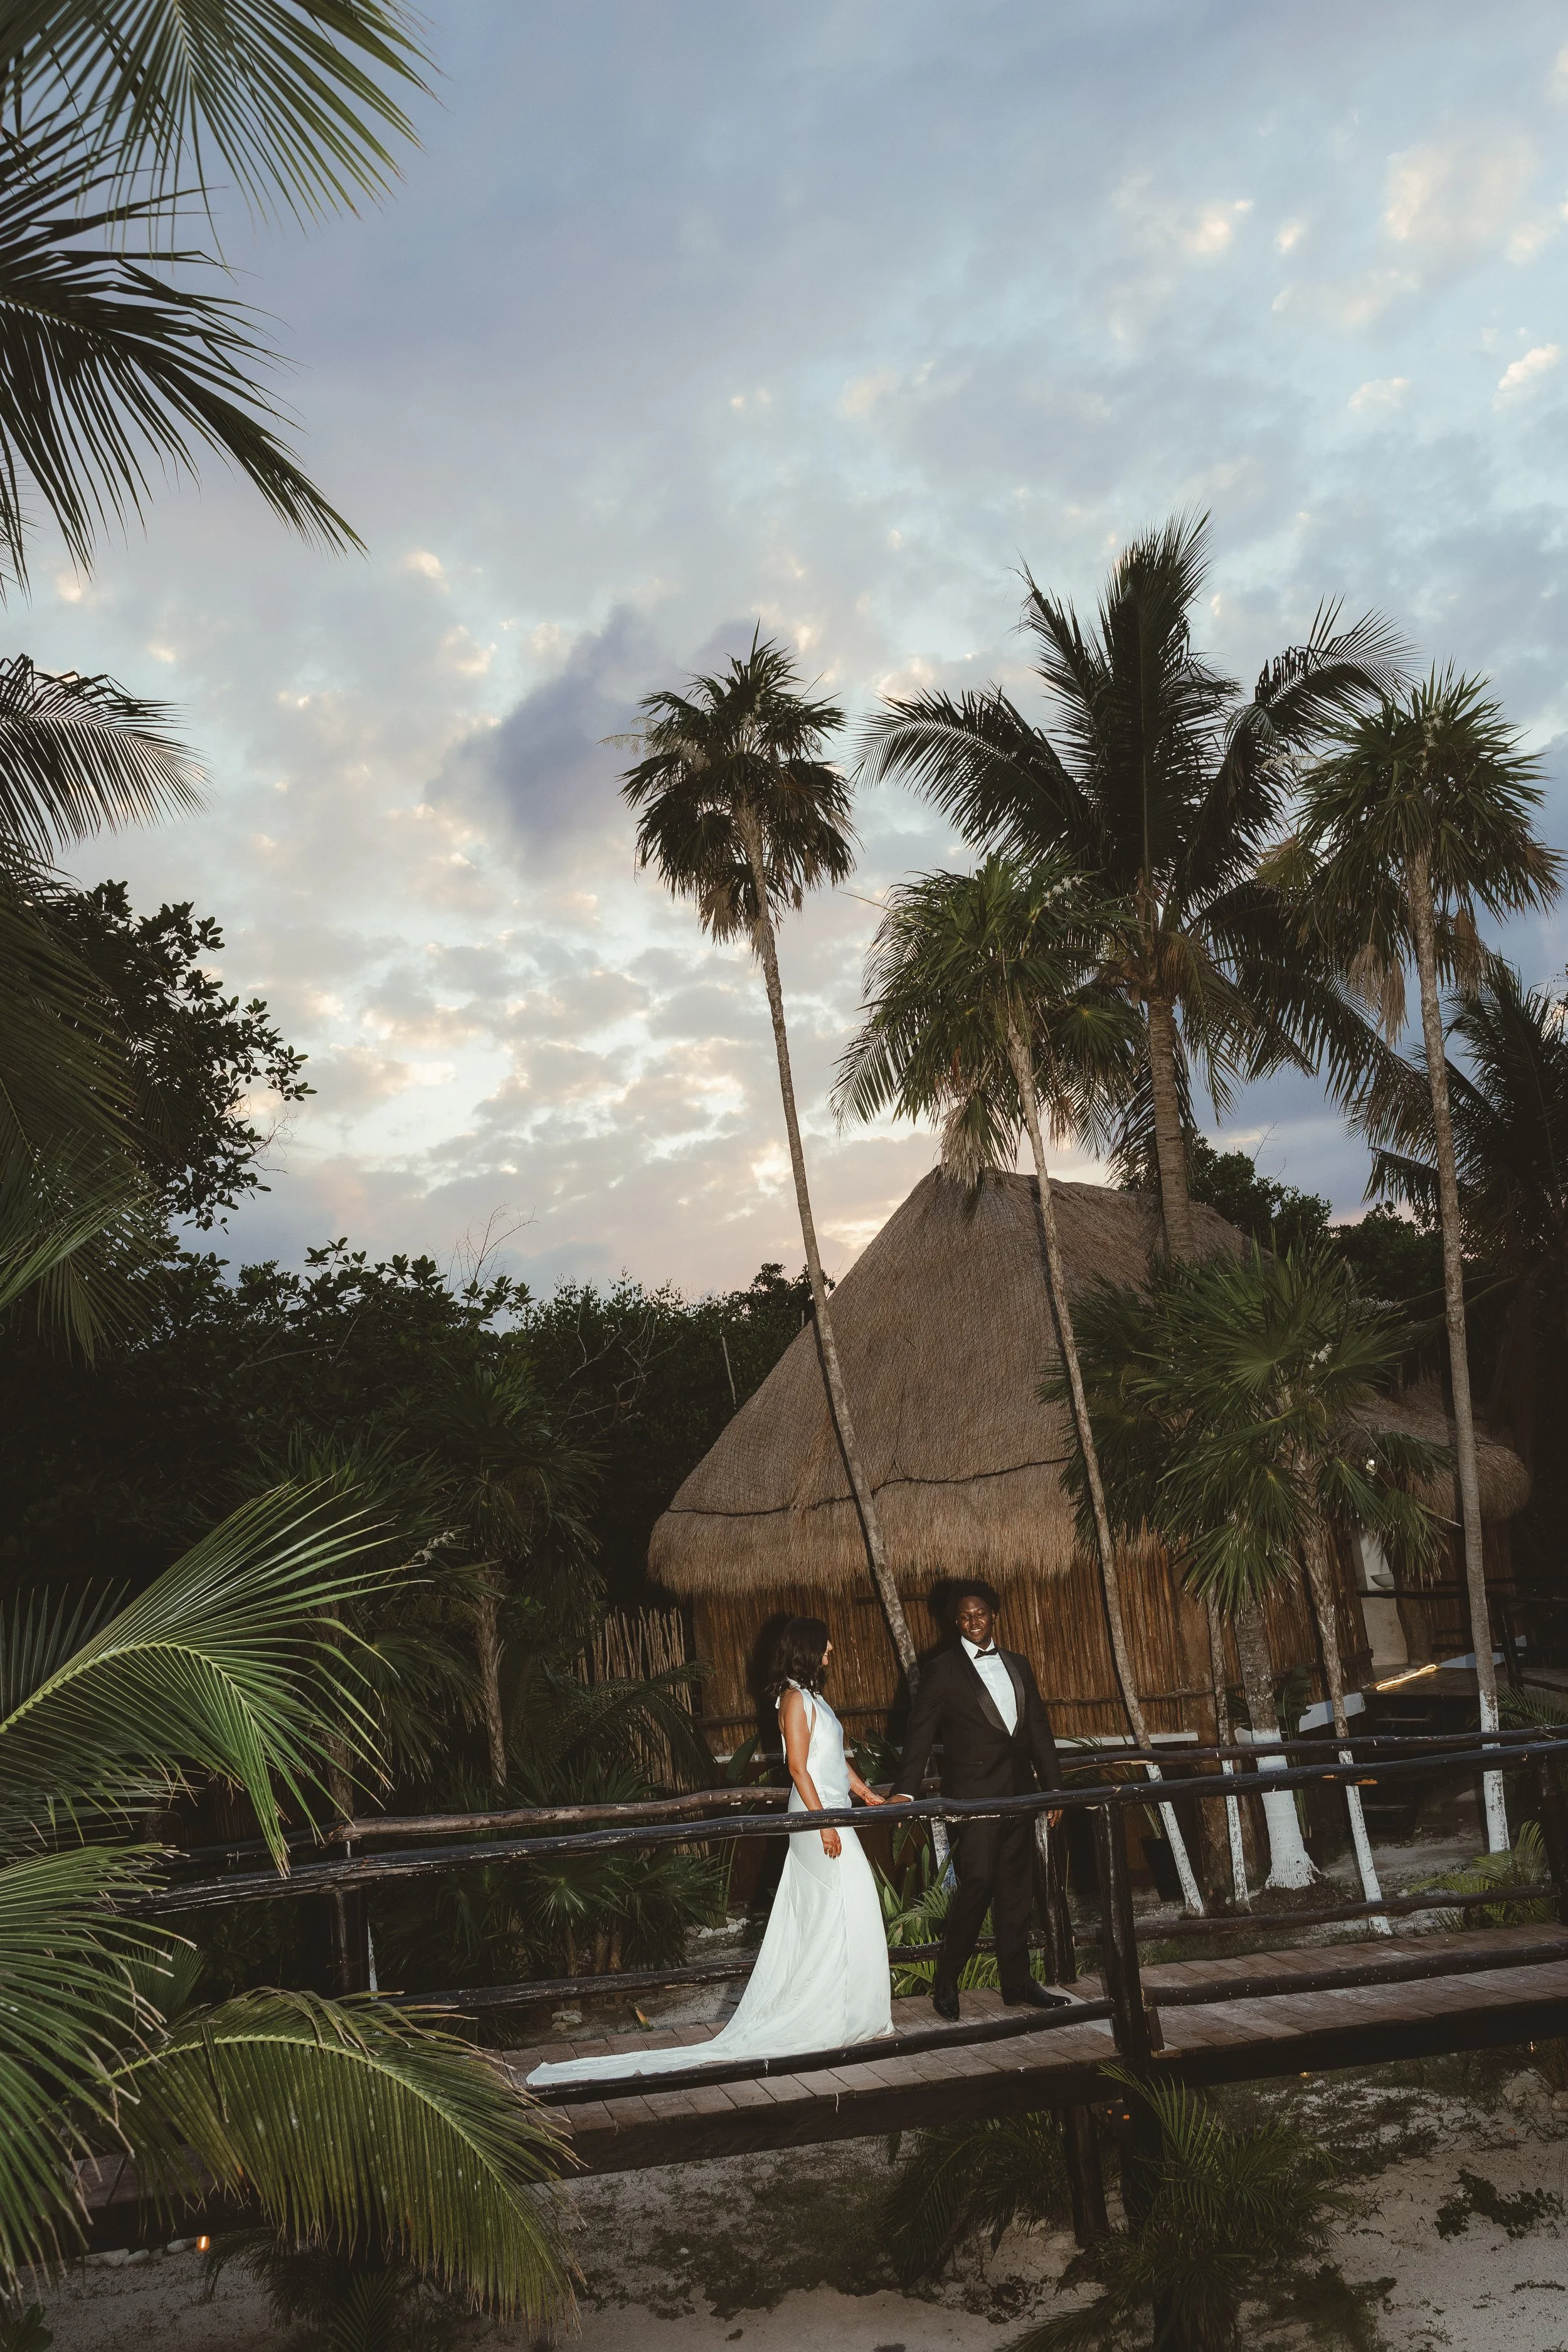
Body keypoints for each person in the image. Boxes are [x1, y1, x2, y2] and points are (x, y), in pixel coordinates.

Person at [525, 1615, 891, 2087]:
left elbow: (834, 1759)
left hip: (834, 1810)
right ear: (807, 1648)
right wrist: (822, 1824)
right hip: (815, 1816)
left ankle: (851, 2013)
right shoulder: (796, 1700)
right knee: (836, 1908)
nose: (832, 1648)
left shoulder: (815, 1697)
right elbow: (799, 1768)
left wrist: (865, 1795)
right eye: (825, 1642)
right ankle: (829, 2016)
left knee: (851, 1909)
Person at [889, 1581, 1065, 2020]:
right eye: (965, 1617)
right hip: (974, 1801)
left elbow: (1038, 1730)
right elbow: (920, 1733)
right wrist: (906, 1790)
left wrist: (1055, 1787)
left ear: (994, 1614)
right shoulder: (941, 1670)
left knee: (1017, 1891)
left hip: (1021, 1795)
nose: (974, 1622)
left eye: (981, 1613)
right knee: (979, 1884)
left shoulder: (1020, 1665)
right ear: (956, 1622)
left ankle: (1018, 1984)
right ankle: (947, 1981)